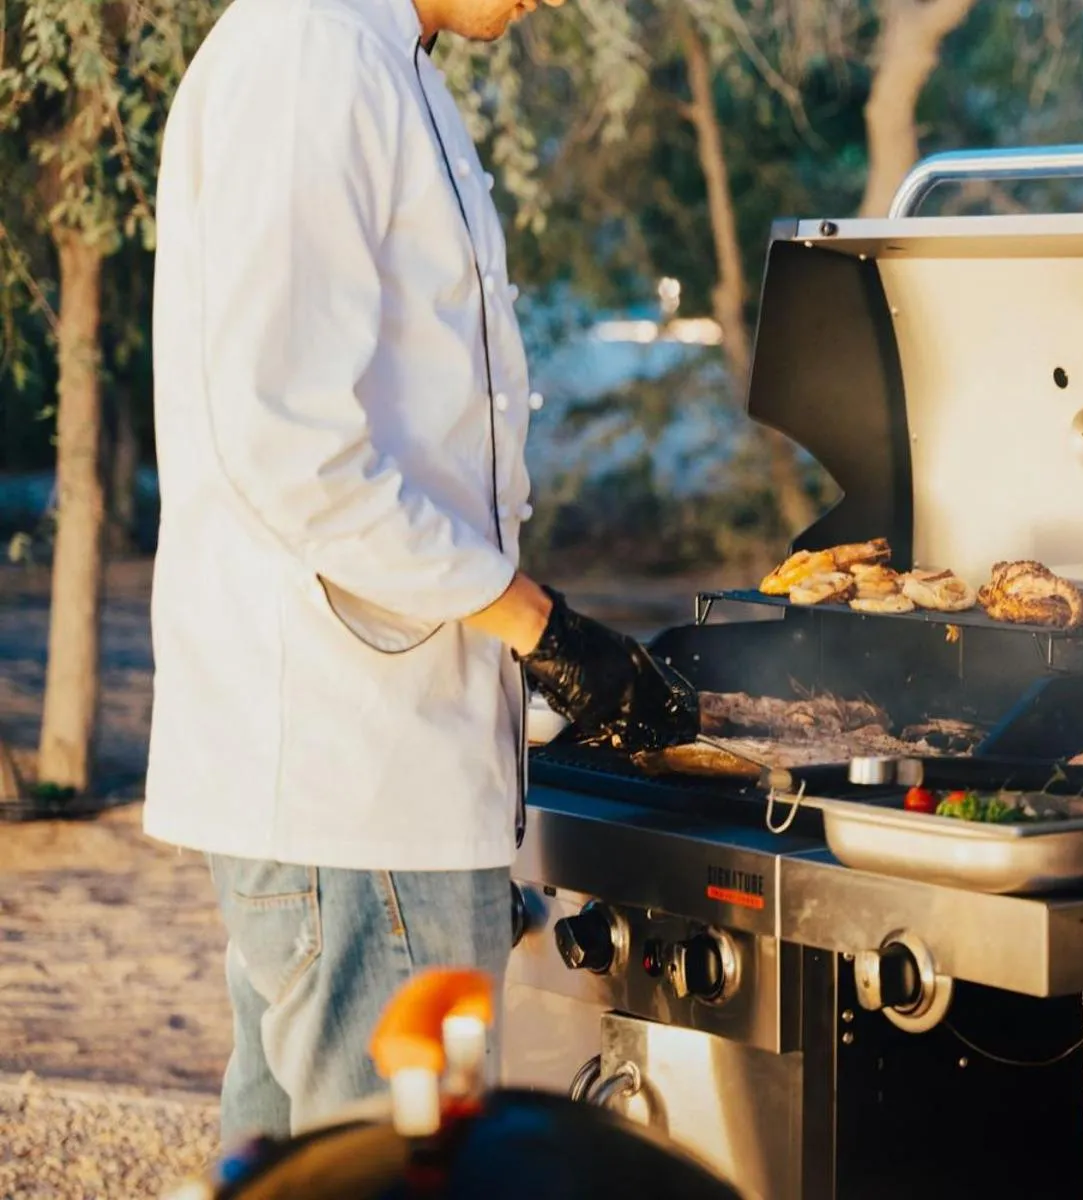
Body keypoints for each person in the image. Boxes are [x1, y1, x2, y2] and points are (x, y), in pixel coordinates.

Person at [145, 0, 697, 1147]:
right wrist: (539, 624)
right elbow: (295, 450)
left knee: (297, 1165)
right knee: (402, 1170)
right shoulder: (313, 57)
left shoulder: (375, 61)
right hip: (354, 778)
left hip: (360, 775)